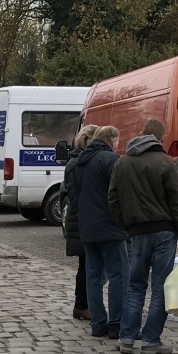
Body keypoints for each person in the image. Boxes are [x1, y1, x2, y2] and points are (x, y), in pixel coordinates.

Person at [109, 118, 178, 354]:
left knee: (135, 285)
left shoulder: (122, 163)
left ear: (140, 133)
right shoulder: (167, 163)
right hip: (165, 232)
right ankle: (150, 341)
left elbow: (112, 200)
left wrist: (126, 225)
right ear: (161, 139)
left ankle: (126, 338)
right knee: (160, 288)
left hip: (137, 233)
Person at [68, 125, 127, 339]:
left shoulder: (80, 162)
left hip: (86, 226)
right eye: (118, 139)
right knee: (118, 275)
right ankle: (117, 324)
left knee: (93, 276)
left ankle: (98, 324)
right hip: (109, 226)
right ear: (111, 139)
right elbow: (118, 193)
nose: (119, 144)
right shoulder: (110, 160)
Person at [61, 125, 98, 321]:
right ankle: (82, 305)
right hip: (80, 220)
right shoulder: (76, 164)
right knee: (85, 265)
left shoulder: (78, 162)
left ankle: (84, 304)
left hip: (82, 219)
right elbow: (77, 194)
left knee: (87, 265)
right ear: (85, 140)